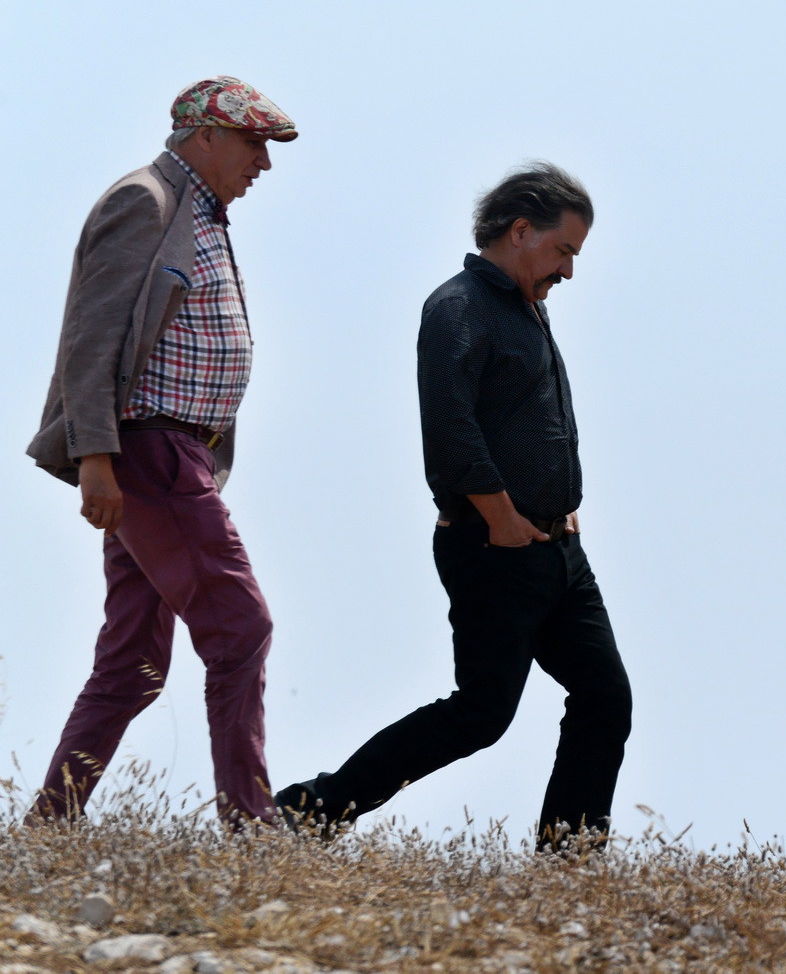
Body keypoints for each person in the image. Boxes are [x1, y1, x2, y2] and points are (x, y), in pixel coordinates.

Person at [278, 163, 632, 847]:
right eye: (563, 251)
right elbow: (449, 429)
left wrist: (561, 511)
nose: (568, 271)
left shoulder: (527, 308)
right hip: (492, 547)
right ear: (521, 230)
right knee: (480, 714)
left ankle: (571, 860)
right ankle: (309, 812)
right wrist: (501, 517)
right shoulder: (459, 307)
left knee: (604, 698)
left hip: (559, 552)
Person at [26, 76, 297, 826]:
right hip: (150, 456)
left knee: (133, 663)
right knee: (240, 629)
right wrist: (95, 459)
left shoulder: (198, 210)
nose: (262, 165)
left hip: (177, 460)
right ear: (204, 136)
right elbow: (92, 337)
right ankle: (252, 826)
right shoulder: (143, 201)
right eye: (253, 144)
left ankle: (50, 823)